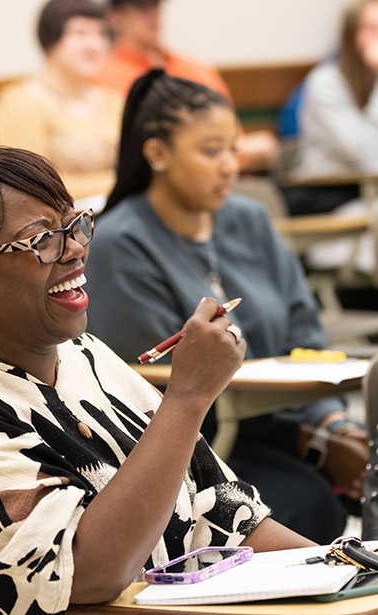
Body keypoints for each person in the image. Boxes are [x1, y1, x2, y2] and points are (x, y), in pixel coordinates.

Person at [0, 144, 378, 615]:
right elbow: (91, 571)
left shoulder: (87, 357)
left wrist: (352, 573)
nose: (73, 250)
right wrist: (188, 398)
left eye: (74, 224)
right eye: (42, 239)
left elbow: (226, 512)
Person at [85, 70, 368, 544]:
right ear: (157, 153)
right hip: (197, 450)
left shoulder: (250, 220)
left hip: (284, 428)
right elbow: (161, 386)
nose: (229, 166)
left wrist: (332, 423)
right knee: (310, 499)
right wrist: (312, 442)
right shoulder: (120, 242)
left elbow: (307, 336)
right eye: (211, 151)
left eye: (233, 150)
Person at [93, 0, 278, 171]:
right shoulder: (102, 75)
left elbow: (238, 138)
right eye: (142, 7)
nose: (153, 15)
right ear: (115, 17)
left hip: (232, 172)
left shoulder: (194, 67)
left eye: (156, 6)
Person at [0, 0, 123, 204]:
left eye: (101, 34)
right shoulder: (19, 104)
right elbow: (22, 185)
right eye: (80, 33)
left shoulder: (114, 102)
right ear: (51, 38)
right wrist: (119, 183)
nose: (94, 45)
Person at [286, 0, 378, 216]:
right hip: (333, 201)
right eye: (372, 29)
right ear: (353, 36)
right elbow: (369, 156)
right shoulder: (325, 84)